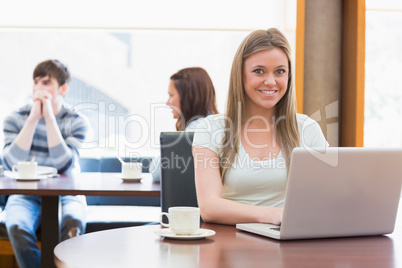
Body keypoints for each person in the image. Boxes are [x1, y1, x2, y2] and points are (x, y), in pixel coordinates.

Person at [192, 28, 328, 225]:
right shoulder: (211, 129)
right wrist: (272, 215)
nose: (271, 81)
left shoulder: (307, 128)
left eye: (280, 71)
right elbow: (209, 207)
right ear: (240, 75)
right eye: (259, 71)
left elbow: (329, 195)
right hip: (230, 245)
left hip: (292, 243)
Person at [2, 59, 89, 268]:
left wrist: (49, 118)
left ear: (63, 89)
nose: (39, 88)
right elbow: (10, 164)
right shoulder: (15, 118)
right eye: (36, 82)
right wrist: (32, 120)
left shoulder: (77, 121)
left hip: (68, 193)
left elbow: (65, 165)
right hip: (24, 193)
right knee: (16, 226)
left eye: (46, 82)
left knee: (73, 225)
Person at [150, 67, 219, 182]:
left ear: (187, 96)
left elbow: (157, 172)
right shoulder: (216, 124)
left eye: (171, 95)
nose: (168, 103)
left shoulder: (195, 130)